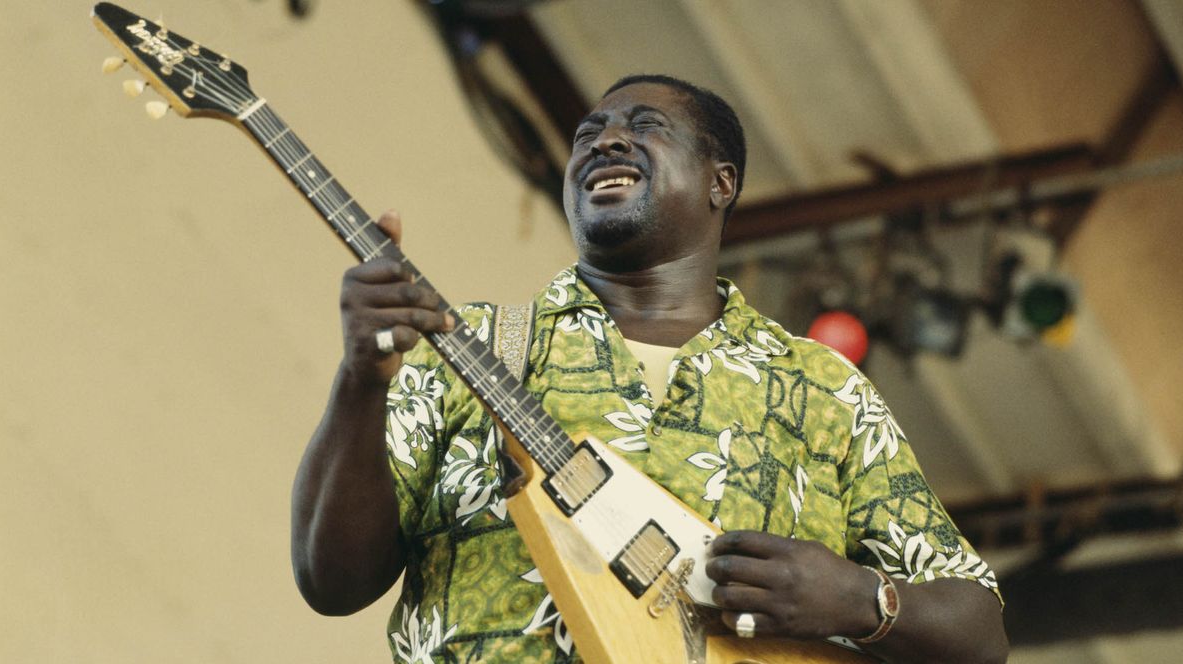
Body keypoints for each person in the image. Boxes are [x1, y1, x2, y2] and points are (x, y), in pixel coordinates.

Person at [291, 74, 1009, 663]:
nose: (605, 140)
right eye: (586, 136)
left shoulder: (822, 389)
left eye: (645, 126)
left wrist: (859, 600)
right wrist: (361, 379)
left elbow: (978, 631)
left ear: (719, 183)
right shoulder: (467, 344)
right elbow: (331, 582)